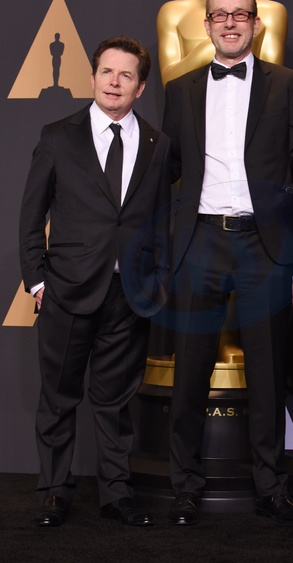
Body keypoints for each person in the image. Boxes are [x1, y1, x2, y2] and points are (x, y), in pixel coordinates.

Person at [162, 0, 293, 526]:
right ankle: (185, 488)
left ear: (256, 24)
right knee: (190, 374)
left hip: (265, 244)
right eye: (221, 15)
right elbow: (167, 172)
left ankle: (271, 489)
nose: (231, 23)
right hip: (200, 241)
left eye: (241, 15)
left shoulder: (288, 84)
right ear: (207, 24)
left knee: (267, 371)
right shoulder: (180, 89)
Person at [19, 36, 171, 527]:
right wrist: (37, 282)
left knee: (116, 405)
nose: (114, 82)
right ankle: (53, 493)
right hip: (66, 290)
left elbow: (161, 221)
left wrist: (158, 282)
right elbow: (31, 217)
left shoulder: (158, 144)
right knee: (58, 400)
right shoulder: (58, 136)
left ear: (140, 87)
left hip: (129, 296)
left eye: (126, 75)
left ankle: (116, 495)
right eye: (107, 72)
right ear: (92, 77)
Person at [156, 0, 287, 86]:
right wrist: (209, 50)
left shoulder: (271, 13)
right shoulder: (173, 13)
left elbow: (273, 84)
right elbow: (169, 84)